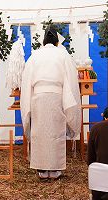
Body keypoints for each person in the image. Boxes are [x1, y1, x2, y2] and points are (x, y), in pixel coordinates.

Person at [20, 27, 81, 179]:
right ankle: (55, 170)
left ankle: (41, 170)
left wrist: (27, 102)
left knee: (39, 131)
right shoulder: (63, 54)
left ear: (43, 41)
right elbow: (72, 80)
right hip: (57, 95)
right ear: (56, 41)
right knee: (55, 132)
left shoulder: (34, 56)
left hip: (38, 96)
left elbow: (26, 80)